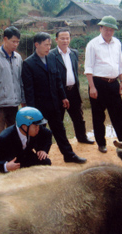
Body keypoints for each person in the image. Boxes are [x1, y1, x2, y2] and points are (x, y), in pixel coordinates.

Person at [22, 32, 86, 164]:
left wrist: (63, 97)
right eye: (46, 45)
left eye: (49, 45)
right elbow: (29, 90)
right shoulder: (28, 64)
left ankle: (69, 155)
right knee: (38, 133)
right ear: (37, 45)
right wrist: (32, 111)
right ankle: (38, 158)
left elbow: (57, 79)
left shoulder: (51, 58)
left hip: (54, 103)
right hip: (39, 107)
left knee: (60, 131)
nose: (48, 47)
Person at [84, 15, 122, 153]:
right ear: (100, 28)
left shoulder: (117, 43)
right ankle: (101, 143)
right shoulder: (92, 44)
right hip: (98, 83)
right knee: (98, 115)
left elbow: (121, 64)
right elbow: (88, 68)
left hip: (114, 83)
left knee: (119, 113)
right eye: (106, 29)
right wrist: (92, 87)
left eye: (111, 30)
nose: (108, 32)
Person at [49, 28, 95, 145]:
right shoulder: (51, 55)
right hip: (59, 92)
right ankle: (61, 142)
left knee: (78, 117)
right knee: (58, 119)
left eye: (67, 38)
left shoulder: (74, 53)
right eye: (62, 38)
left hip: (73, 90)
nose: (65, 41)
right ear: (56, 39)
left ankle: (82, 137)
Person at [0, 26, 25, 145]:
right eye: (13, 41)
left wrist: (23, 99)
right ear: (5, 39)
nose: (15, 44)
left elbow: (20, 81)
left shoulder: (18, 58)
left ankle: (11, 159)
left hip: (14, 104)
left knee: (13, 133)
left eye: (18, 42)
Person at [0, 107, 52, 173]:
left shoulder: (34, 129)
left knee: (45, 162)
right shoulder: (4, 138)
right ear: (24, 126)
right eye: (36, 126)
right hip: (12, 162)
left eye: (39, 126)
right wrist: (6, 166)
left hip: (26, 157)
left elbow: (48, 134)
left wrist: (43, 150)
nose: (38, 128)